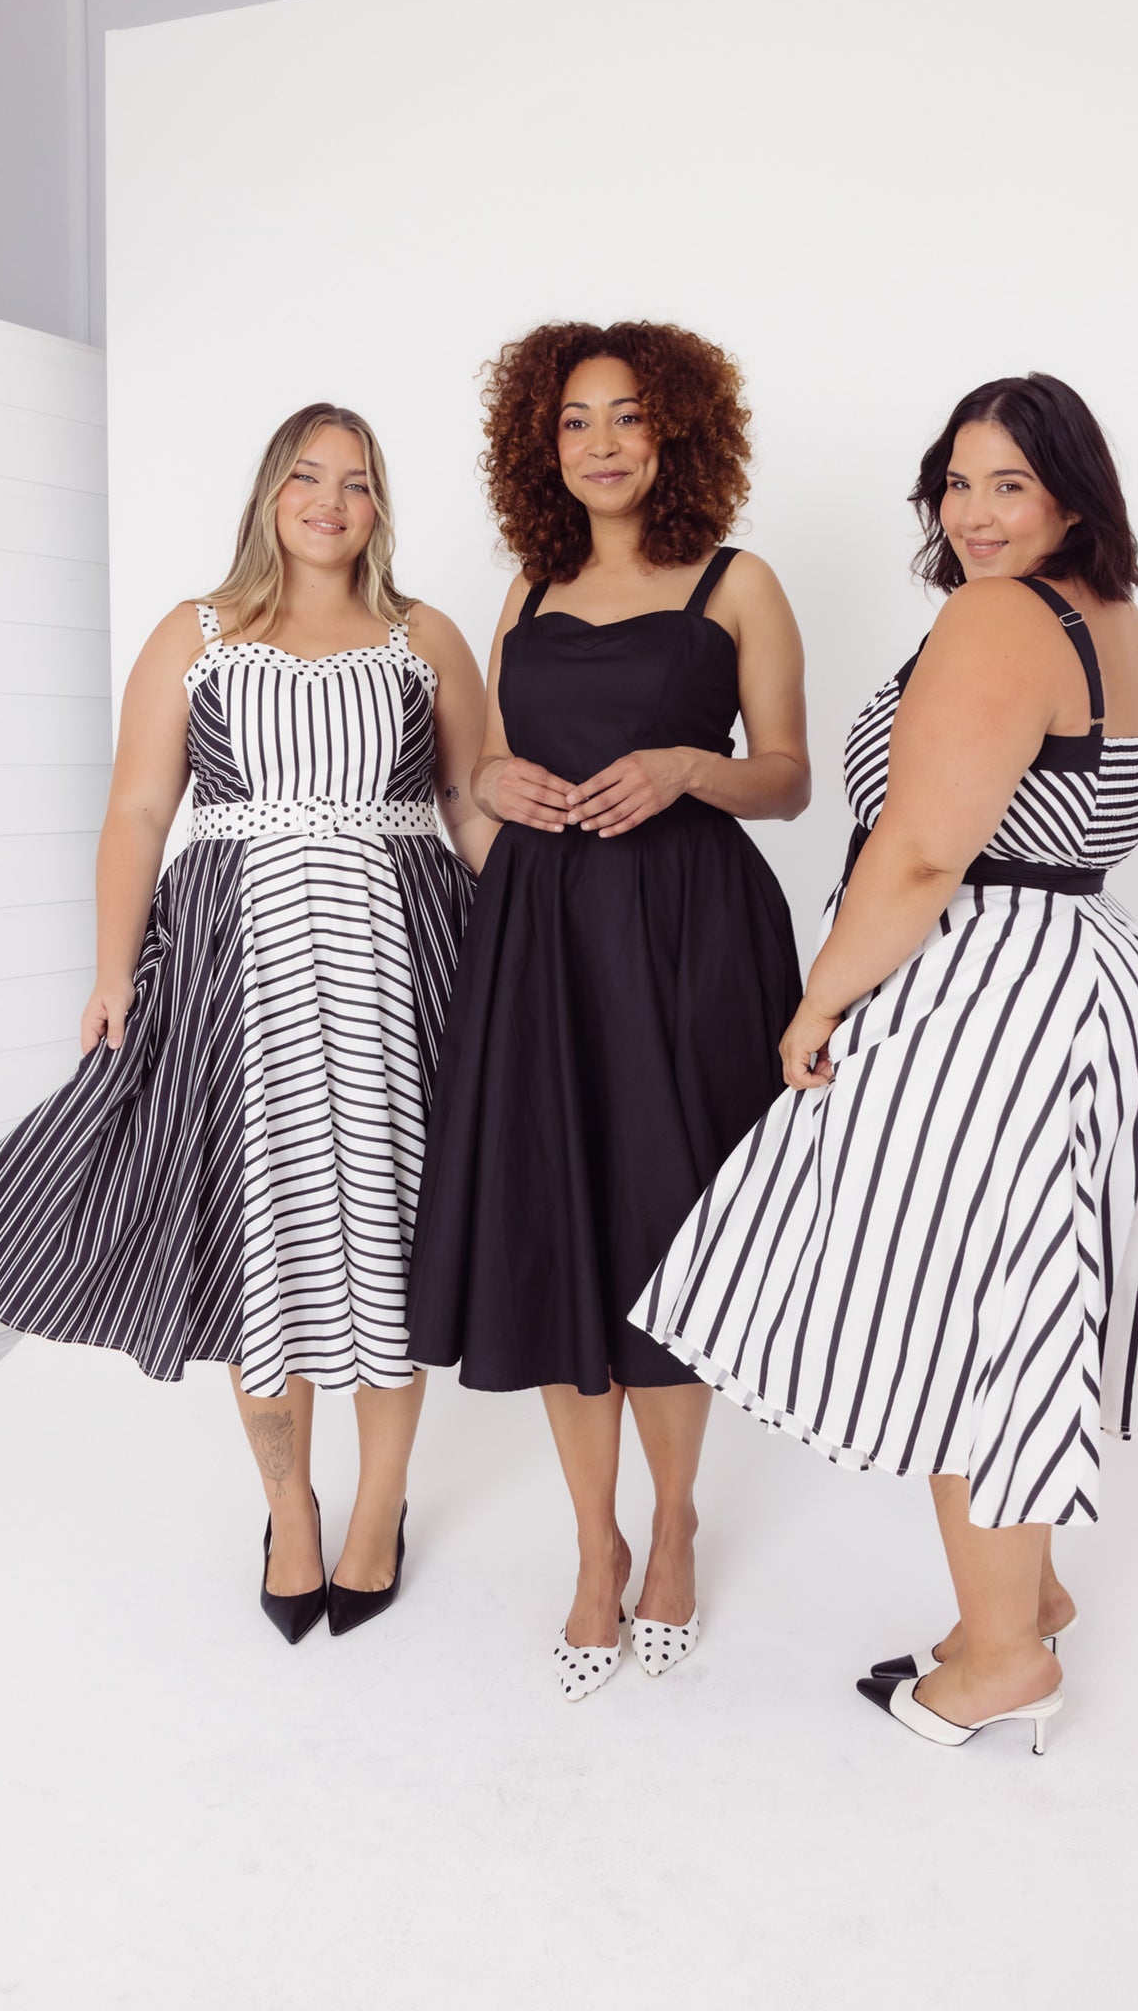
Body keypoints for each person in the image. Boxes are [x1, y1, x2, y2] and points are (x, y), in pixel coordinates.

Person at [631, 373, 1138, 1750]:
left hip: (983, 995)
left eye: (1012, 482)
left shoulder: (1002, 617)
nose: (979, 512)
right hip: (1079, 976)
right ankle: (1029, 1596)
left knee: (955, 1320)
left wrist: (817, 1002)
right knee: (1016, 1306)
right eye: (959, 481)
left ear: (1070, 493)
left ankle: (999, 1657)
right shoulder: (1114, 620)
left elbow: (925, 852)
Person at [0, 403, 496, 1645]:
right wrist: (113, 968)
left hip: (403, 969)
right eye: (306, 476)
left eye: (356, 481)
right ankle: (290, 1507)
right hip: (237, 972)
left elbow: (466, 802)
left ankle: (379, 1505)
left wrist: (543, 940)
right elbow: (137, 812)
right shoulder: (199, 632)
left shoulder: (424, 635)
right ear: (269, 492)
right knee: (259, 1239)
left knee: (394, 1228)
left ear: (381, 504)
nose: (330, 501)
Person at [405, 321, 810, 1698]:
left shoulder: (739, 582)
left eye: (627, 418)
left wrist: (697, 766)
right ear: (543, 443)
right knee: (553, 1228)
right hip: (540, 935)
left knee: (661, 1227)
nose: (600, 445)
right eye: (574, 422)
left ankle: (677, 1522)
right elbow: (491, 775)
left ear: (675, 431)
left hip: (688, 936)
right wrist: (489, 793)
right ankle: (595, 1545)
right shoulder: (526, 587)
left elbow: (792, 778)